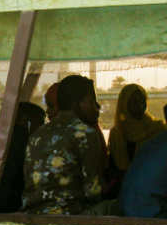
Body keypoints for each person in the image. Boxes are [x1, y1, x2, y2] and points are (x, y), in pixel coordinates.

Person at [22, 75, 105, 215]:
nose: (97, 106)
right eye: (92, 100)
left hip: (33, 216)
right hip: (69, 217)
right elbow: (92, 192)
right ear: (76, 104)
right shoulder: (86, 133)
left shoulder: (38, 133)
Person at [105, 84, 167, 199]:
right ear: (124, 105)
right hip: (124, 192)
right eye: (133, 102)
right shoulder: (117, 132)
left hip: (152, 191)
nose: (140, 106)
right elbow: (111, 168)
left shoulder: (158, 129)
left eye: (143, 101)